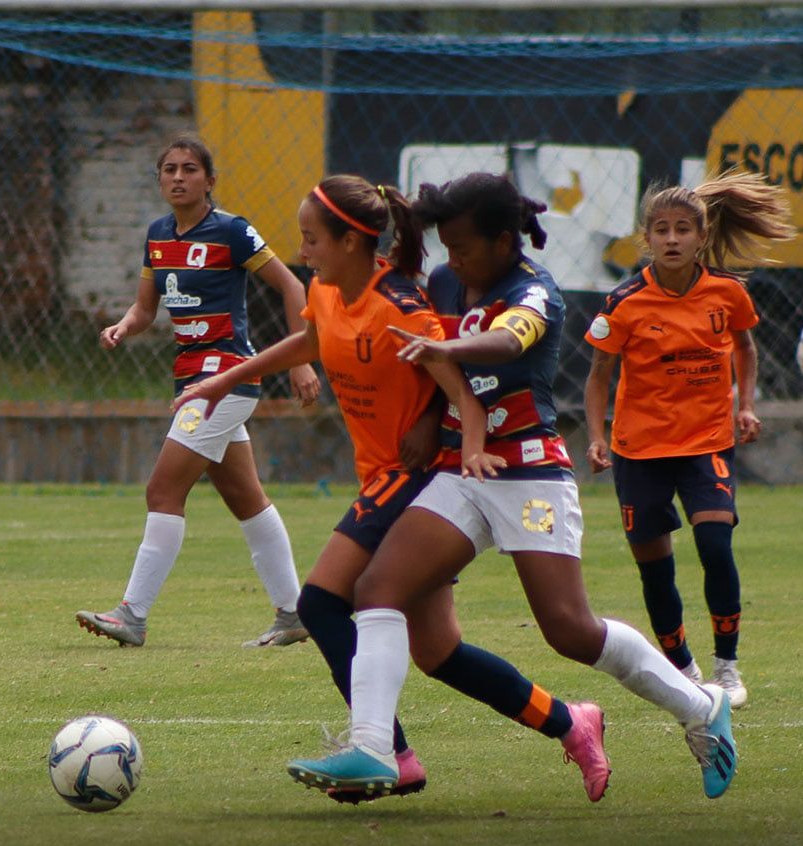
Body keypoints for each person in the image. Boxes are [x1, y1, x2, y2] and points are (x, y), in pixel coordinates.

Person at [287, 172, 739, 802]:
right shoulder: (446, 280)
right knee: (377, 589)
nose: (453, 261)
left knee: (569, 630)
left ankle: (699, 705)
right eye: (445, 247)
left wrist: (449, 346)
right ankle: (372, 749)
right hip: (462, 470)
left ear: (504, 241)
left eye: (465, 248)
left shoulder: (535, 293)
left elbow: (508, 339)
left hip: (529, 471)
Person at [177, 175, 609, 803]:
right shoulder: (328, 289)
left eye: (311, 239)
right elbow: (312, 340)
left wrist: (456, 435)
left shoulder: (400, 303)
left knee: (322, 602)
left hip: (417, 476)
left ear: (353, 241)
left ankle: (386, 751)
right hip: (383, 473)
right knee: (439, 651)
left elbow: (451, 371)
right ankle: (571, 723)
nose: (303, 252)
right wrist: (227, 380)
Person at [75, 134, 320, 649]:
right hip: (191, 377)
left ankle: (132, 615)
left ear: (209, 181)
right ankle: (295, 613)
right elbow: (146, 310)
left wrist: (300, 360)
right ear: (160, 179)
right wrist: (122, 326)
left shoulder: (232, 231)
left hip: (226, 376)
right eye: (169, 169)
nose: (178, 177)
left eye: (190, 169)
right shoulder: (158, 235)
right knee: (245, 498)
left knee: (162, 490)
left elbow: (293, 286)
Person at [584, 170, 793, 709]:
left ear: (701, 236)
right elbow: (598, 375)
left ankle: (726, 668)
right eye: (661, 229)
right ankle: (684, 668)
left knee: (715, 544)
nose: (671, 239)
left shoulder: (727, 292)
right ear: (646, 238)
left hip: (705, 444)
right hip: (639, 451)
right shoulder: (624, 301)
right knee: (657, 569)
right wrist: (595, 437)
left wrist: (745, 405)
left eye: (682, 229)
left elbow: (744, 348)